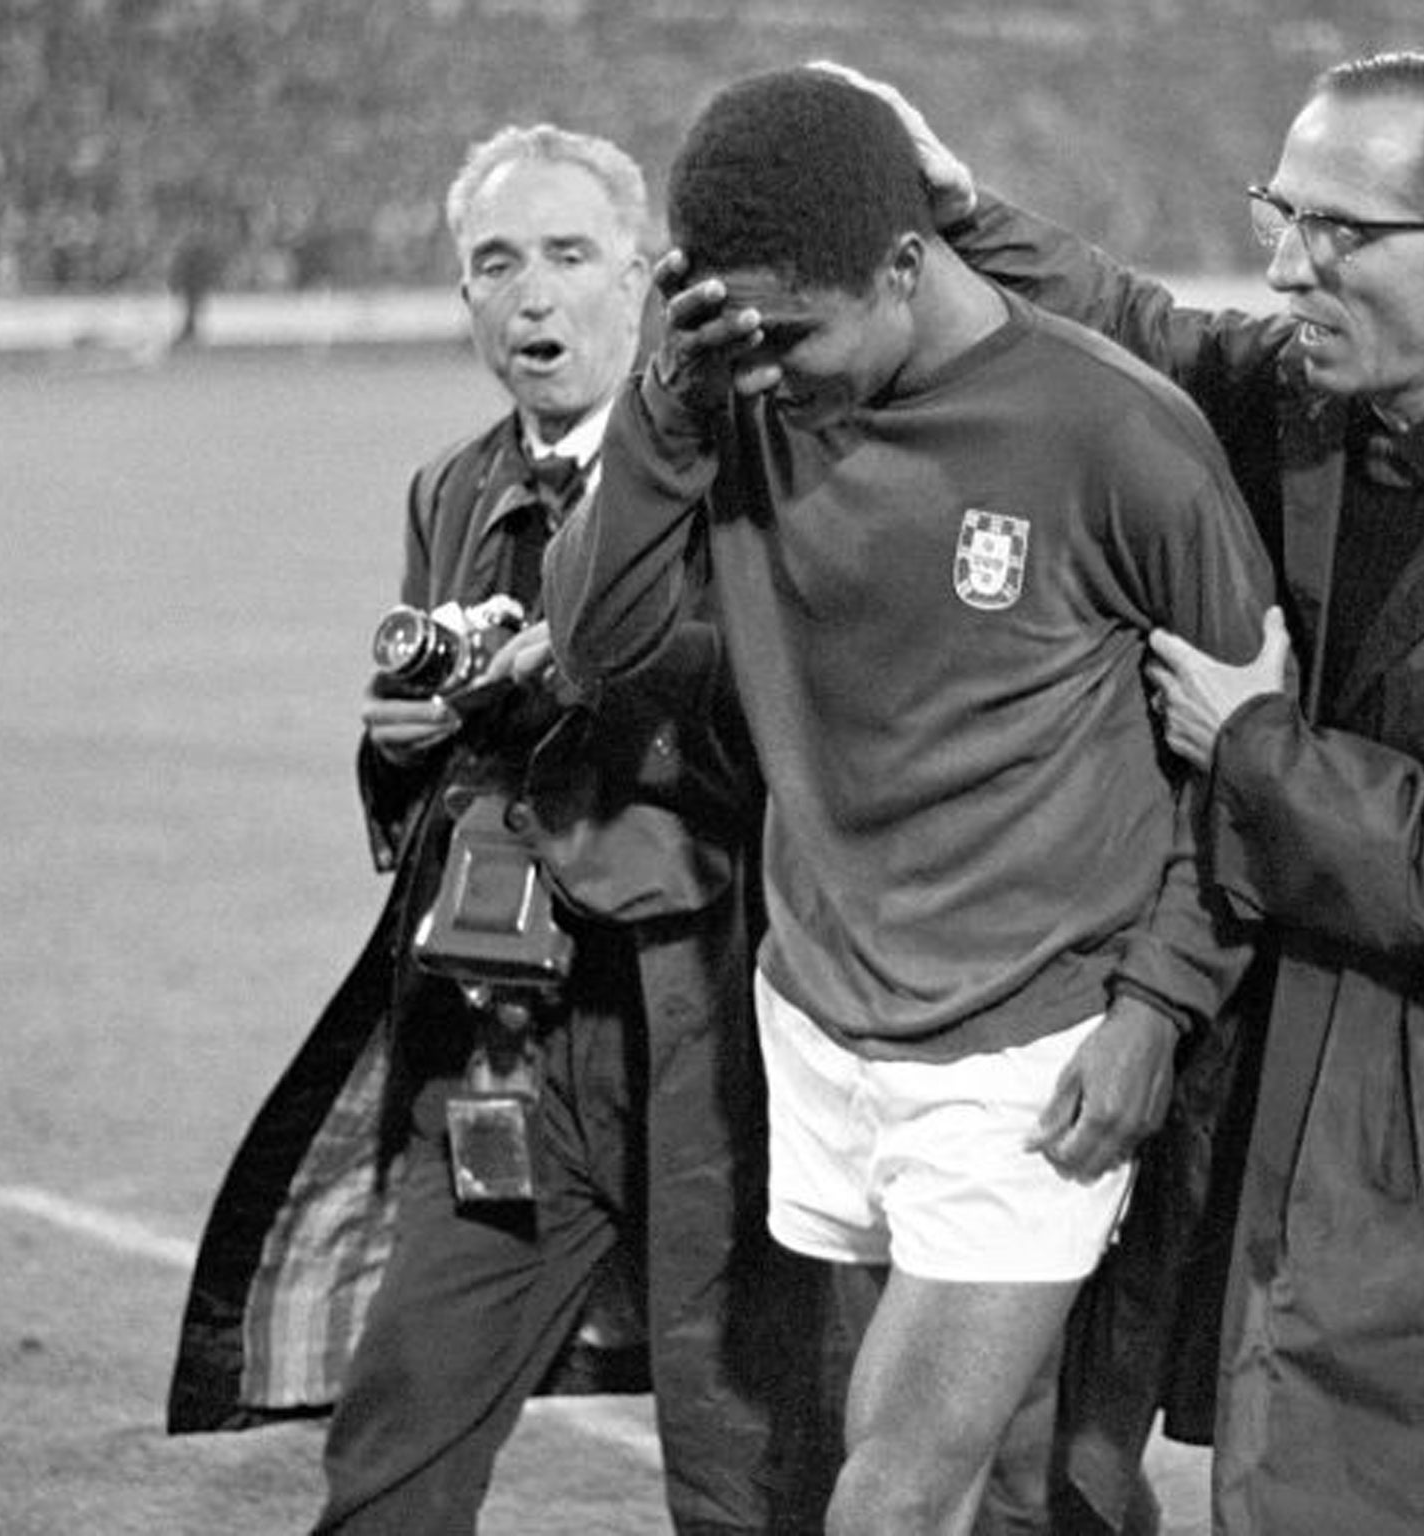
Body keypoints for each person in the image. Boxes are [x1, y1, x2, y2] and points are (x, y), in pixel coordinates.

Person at [847, 50, 1424, 1534]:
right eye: (1285, 214)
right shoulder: (1314, 398)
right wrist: (971, 214)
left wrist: (1257, 746)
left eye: (1340, 234)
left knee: (1382, 1495)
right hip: (1289, 1051)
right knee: (1078, 1470)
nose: (1289, 267)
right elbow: (1144, 336)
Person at [542, 67, 1275, 1536]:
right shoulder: (729, 395)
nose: (770, 374)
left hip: (1034, 1051)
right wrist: (665, 422)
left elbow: (1250, 759)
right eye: (742, 339)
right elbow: (597, 649)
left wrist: (1156, 1008)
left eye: (796, 336)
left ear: (902, 264)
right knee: (978, 1461)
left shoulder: (1117, 437)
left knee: (892, 1493)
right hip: (821, 1014)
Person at [167, 123, 833, 1534]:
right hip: (501, 1029)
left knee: (742, 1466)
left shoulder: (753, 471)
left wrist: (597, 674)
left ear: (646, 279)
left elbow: (803, 733)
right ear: (465, 299)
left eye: (570, 255)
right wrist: (402, 746)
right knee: (395, 1445)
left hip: (708, 1024)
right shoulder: (457, 489)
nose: (534, 295)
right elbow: (451, 771)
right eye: (497, 263)